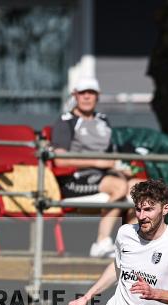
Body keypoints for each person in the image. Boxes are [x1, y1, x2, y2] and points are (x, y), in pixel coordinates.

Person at [50, 76, 131, 258]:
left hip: (105, 176)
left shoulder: (103, 120)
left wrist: (120, 166)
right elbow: (60, 160)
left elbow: (110, 154)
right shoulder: (66, 121)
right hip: (74, 179)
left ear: (98, 96)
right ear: (75, 95)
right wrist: (96, 162)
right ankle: (101, 242)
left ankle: (131, 246)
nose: (87, 97)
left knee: (139, 189)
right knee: (119, 187)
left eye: (91, 93)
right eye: (82, 93)